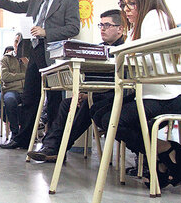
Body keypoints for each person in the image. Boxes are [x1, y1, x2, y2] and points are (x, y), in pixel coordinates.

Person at [0, 0, 80, 148]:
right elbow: (17, 6)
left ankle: (52, 143)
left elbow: (73, 28)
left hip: (54, 54)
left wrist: (46, 32)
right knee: (30, 96)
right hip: (35, 50)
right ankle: (23, 139)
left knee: (54, 98)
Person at [95, 0, 181, 188]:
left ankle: (168, 152)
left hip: (166, 95)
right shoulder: (138, 25)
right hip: (148, 93)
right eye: (123, 4)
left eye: (131, 3)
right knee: (99, 113)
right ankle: (164, 156)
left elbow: (143, 61)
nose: (126, 9)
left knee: (112, 120)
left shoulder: (155, 16)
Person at [25, 9, 125, 160]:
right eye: (100, 25)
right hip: (97, 94)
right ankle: (51, 146)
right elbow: (92, 76)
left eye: (107, 25)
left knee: (88, 104)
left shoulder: (124, 49)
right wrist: (85, 93)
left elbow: (122, 81)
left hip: (116, 96)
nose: (102, 29)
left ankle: (57, 149)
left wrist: (90, 95)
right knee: (67, 103)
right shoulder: (97, 49)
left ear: (120, 29)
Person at [1, 33, 28, 140]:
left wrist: (27, 63)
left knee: (34, 101)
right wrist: (25, 75)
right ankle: (15, 133)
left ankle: (28, 133)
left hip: (28, 90)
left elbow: (36, 76)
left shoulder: (31, 58)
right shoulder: (6, 59)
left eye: (20, 42)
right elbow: (5, 77)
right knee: (9, 100)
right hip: (11, 90)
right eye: (16, 41)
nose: (18, 44)